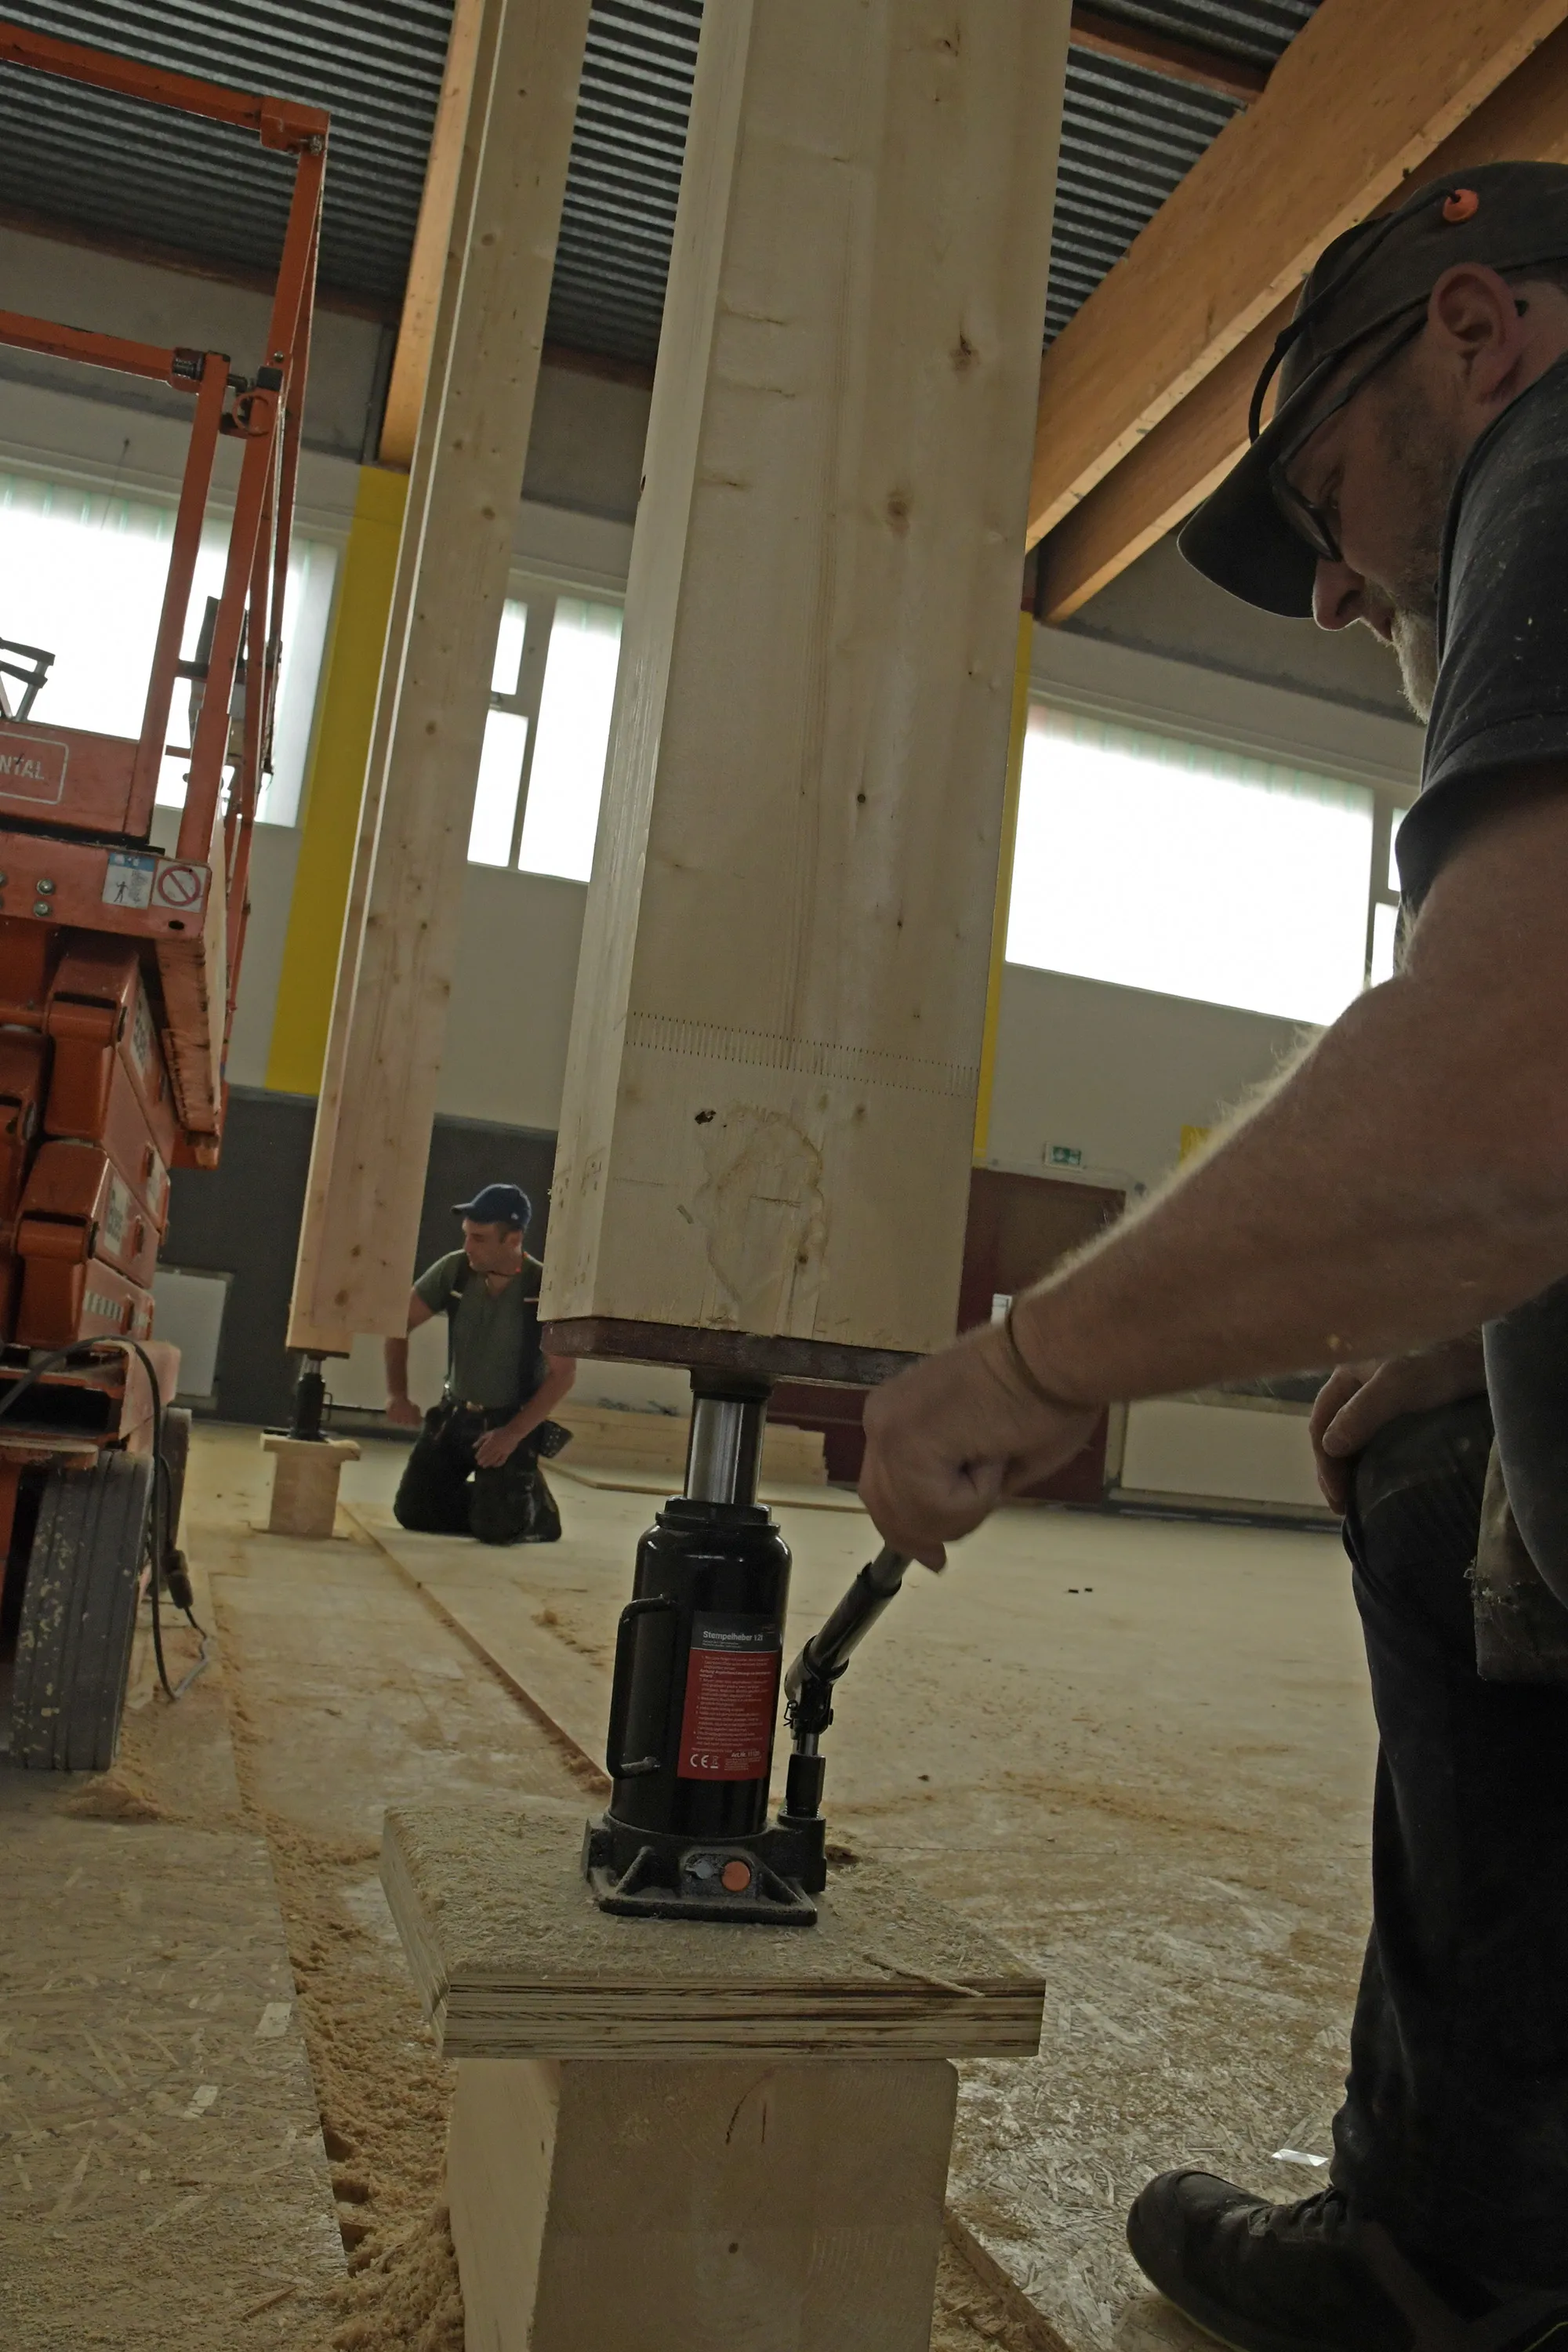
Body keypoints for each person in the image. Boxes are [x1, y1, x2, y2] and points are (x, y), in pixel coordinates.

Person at [860, 163, 1568, 2352]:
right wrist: (1473, 1347)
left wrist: (1032, 1367)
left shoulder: (1555, 461)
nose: (1354, 594)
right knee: (1449, 1471)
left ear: (1475, 330)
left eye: (1338, 504)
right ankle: (1474, 2229)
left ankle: (1451, 2255)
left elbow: (1506, 1079)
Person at [386, 1183, 575, 1545]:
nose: (468, 1247)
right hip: (455, 1417)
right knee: (413, 1512)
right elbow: (398, 1325)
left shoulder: (543, 1288)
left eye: (479, 1238)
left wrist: (513, 1435)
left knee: (498, 1532)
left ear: (513, 1238)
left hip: (506, 1422)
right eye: (467, 1236)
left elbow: (563, 1374)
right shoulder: (455, 1271)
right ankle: (500, 1505)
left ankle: (533, 1511)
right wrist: (398, 1393)